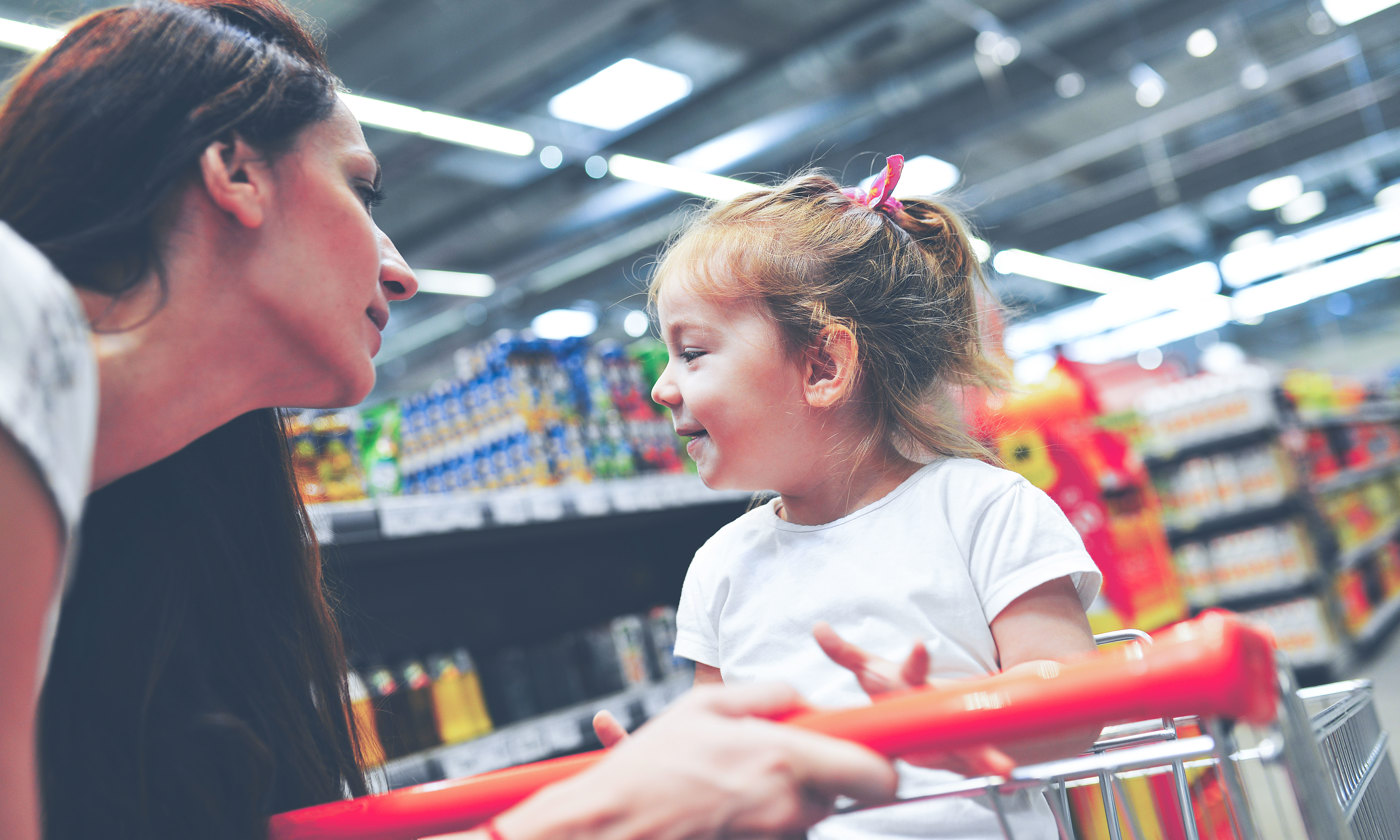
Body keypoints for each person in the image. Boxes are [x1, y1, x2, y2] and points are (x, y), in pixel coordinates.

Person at [0, 3, 897, 839]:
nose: (402, 274)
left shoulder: (141, 533)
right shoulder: (15, 318)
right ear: (234, 171)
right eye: (362, 191)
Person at [643, 155, 1105, 839]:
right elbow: (725, 760)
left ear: (824, 366)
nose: (663, 388)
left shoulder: (983, 511)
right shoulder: (719, 569)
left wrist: (944, 716)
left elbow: (1075, 705)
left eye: (694, 353)